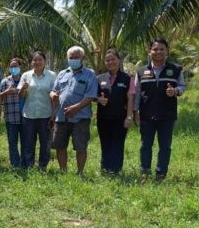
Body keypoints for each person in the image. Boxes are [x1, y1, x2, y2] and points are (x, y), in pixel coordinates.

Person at [134, 38, 185, 179]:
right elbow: (137, 93)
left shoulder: (175, 69)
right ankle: (145, 171)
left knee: (165, 146)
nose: (158, 52)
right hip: (146, 115)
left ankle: (161, 173)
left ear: (167, 52)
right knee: (145, 145)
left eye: (162, 49)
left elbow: (182, 86)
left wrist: (174, 91)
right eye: (155, 49)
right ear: (149, 52)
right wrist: (135, 111)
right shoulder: (141, 71)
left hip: (167, 115)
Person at [50, 46, 98, 174]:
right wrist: (53, 95)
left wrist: (76, 108)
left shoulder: (90, 74)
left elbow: (91, 95)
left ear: (82, 58)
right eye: (71, 58)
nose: (73, 60)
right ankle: (63, 170)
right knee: (60, 146)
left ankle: (80, 172)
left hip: (80, 117)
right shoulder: (62, 73)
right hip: (61, 116)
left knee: (80, 146)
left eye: (76, 57)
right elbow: (54, 90)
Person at [96, 49, 134, 174]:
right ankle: (105, 169)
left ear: (119, 60)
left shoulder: (127, 78)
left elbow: (130, 98)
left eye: (113, 59)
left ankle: (116, 170)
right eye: (107, 60)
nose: (110, 62)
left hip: (120, 118)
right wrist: (98, 100)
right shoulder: (99, 78)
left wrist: (129, 117)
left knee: (118, 144)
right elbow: (93, 96)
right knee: (105, 143)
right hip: (103, 118)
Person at [18, 51, 56, 170]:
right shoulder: (26, 75)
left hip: (46, 115)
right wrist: (23, 89)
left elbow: (55, 96)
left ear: (44, 61)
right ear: (31, 62)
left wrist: (53, 115)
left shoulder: (52, 75)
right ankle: (28, 165)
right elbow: (21, 95)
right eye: (35, 60)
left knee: (45, 143)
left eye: (40, 60)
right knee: (28, 142)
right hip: (29, 115)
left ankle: (42, 166)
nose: (37, 62)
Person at [0, 58, 25, 168]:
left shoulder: (26, 80)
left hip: (25, 117)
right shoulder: (5, 82)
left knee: (25, 141)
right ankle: (15, 163)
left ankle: (25, 163)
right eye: (11, 66)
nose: (13, 68)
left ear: (20, 66)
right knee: (12, 142)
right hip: (11, 116)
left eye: (16, 66)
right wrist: (6, 92)